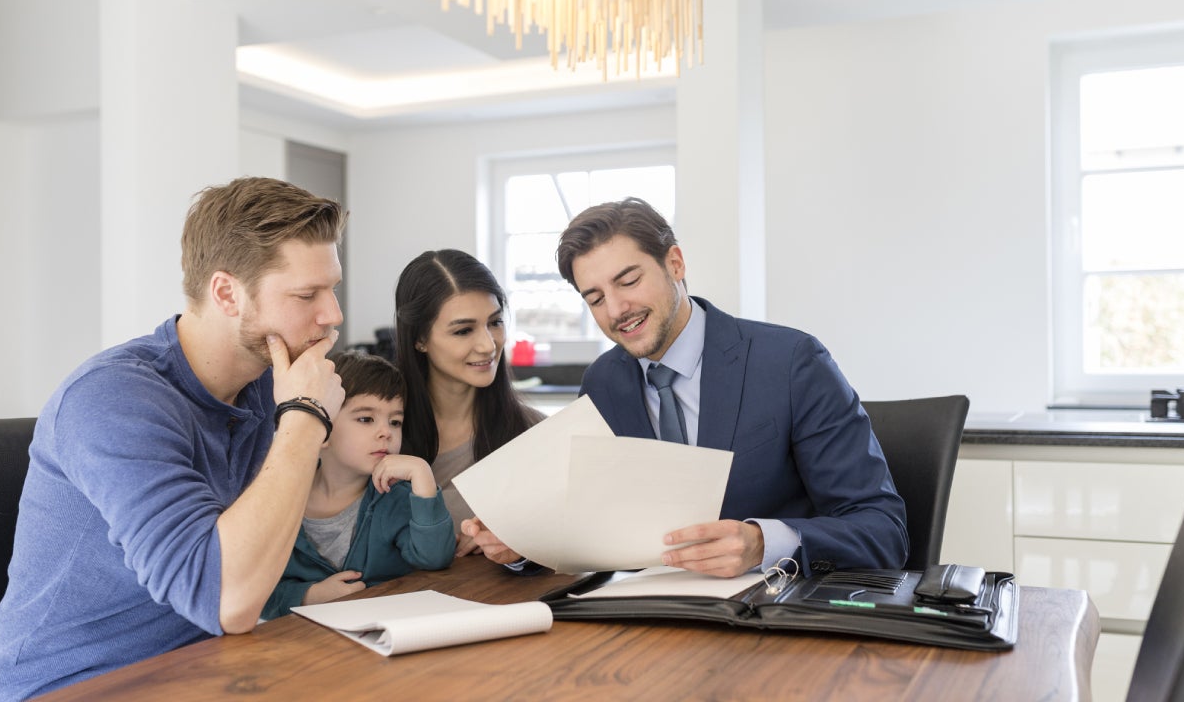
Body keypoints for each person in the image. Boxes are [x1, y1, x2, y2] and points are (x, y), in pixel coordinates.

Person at [0, 177, 347, 701]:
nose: (333, 315)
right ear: (226, 292)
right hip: (68, 688)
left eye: (332, 289)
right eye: (307, 295)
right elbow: (226, 599)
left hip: (199, 670)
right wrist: (305, 417)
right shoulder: (112, 398)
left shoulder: (266, 385)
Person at [470, 197, 908, 577]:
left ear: (675, 263)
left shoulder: (791, 362)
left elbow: (882, 529)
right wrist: (524, 543)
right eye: (596, 298)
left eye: (629, 281)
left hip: (775, 618)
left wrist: (763, 542)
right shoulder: (602, 383)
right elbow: (592, 526)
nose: (618, 309)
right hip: (653, 622)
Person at [261, 352, 456, 619]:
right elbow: (257, 590)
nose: (386, 432)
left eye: (395, 421)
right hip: (301, 644)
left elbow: (434, 558)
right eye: (366, 419)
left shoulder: (395, 495)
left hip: (380, 634)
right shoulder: (277, 498)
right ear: (322, 429)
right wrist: (309, 596)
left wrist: (422, 476)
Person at [392, 249, 543, 560]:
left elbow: (568, 546)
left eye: (495, 322)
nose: (488, 345)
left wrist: (521, 546)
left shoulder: (535, 434)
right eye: (463, 330)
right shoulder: (376, 431)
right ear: (419, 338)